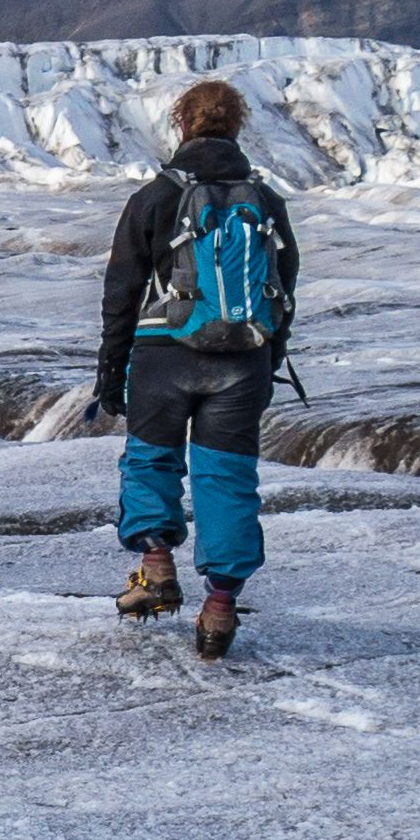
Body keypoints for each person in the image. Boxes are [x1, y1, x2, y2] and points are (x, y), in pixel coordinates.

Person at [93, 76, 299, 659]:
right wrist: (268, 355)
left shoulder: (156, 195)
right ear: (236, 127)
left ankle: (156, 567)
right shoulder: (265, 199)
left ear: (182, 125)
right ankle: (220, 610)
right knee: (227, 479)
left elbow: (122, 288)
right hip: (243, 360)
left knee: (151, 460)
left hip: (163, 355)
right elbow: (284, 286)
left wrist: (111, 369)